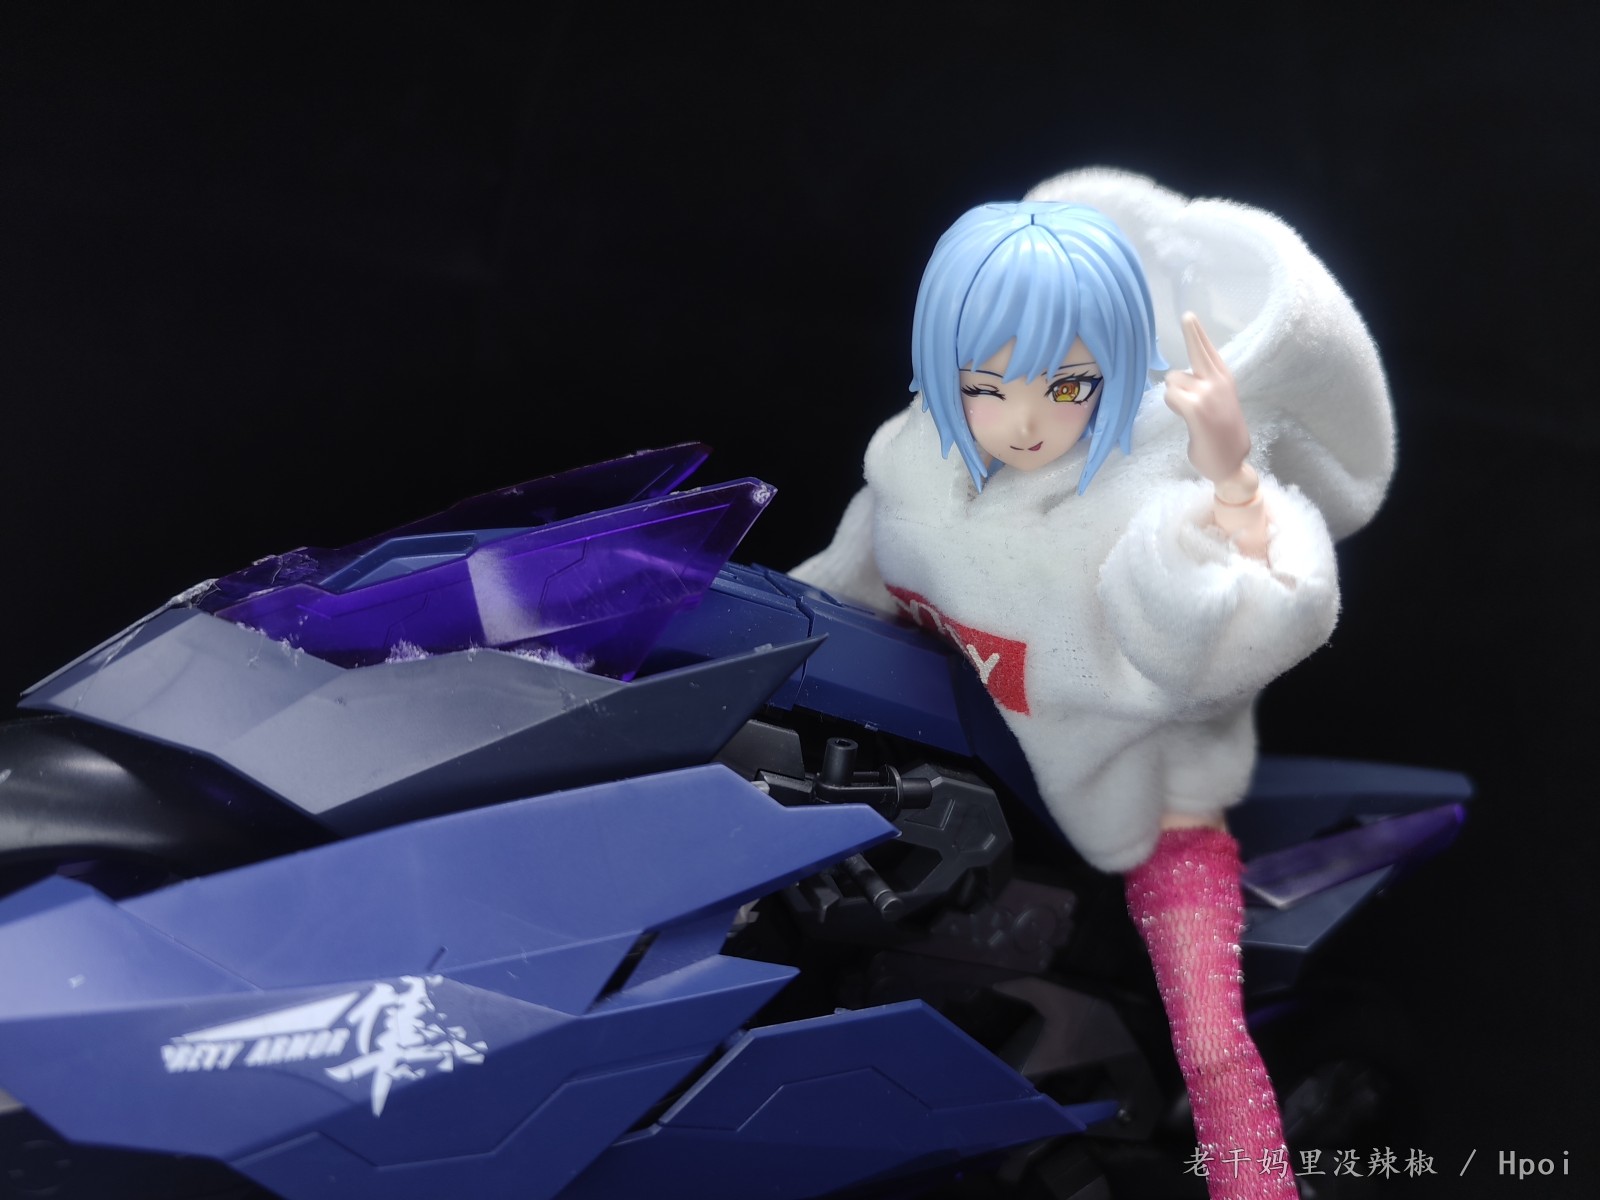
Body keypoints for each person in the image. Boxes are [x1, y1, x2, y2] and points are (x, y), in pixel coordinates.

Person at [792, 167, 1394, 1200]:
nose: (1024, 421)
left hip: (1147, 799)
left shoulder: (1147, 499)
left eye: (1066, 387)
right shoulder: (915, 462)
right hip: (969, 771)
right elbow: (838, 587)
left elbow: (1232, 631)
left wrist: (1228, 476)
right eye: (988, 384)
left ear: (1112, 371)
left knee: (1210, 1042)